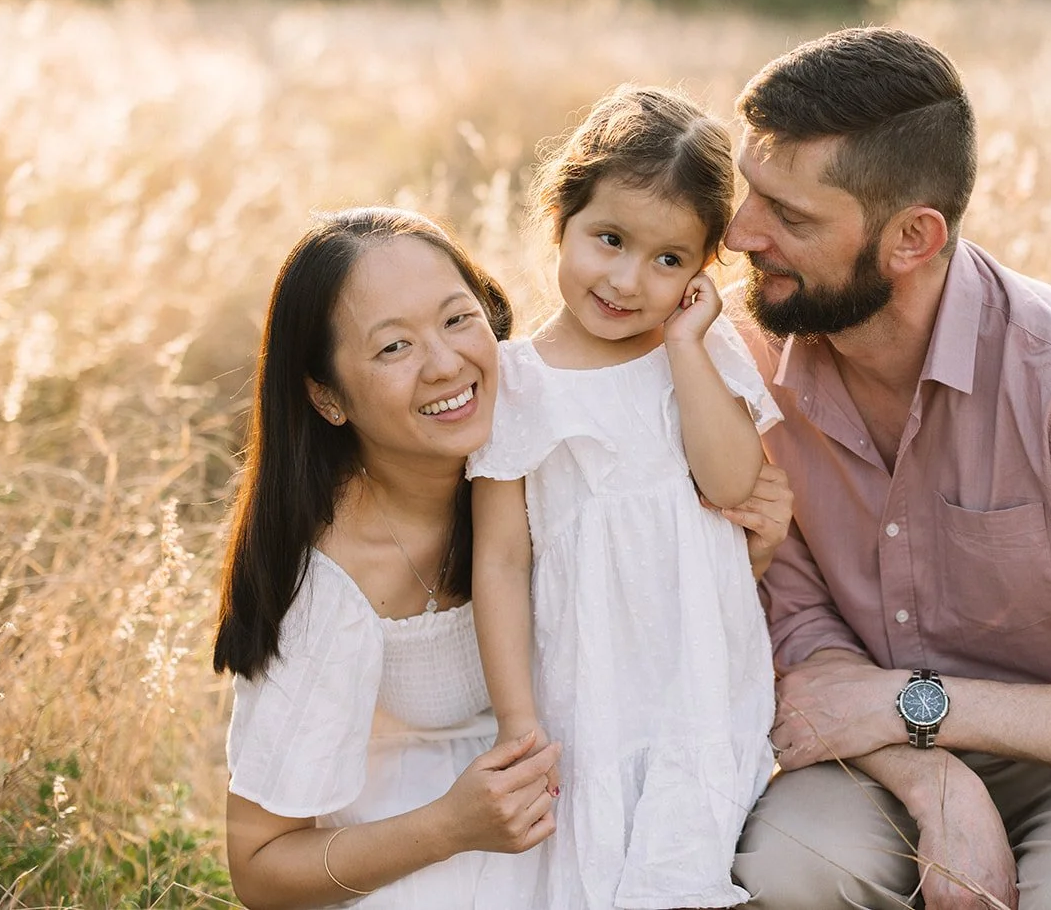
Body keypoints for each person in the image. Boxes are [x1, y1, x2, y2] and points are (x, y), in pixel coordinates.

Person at [725, 28, 1051, 910]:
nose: (742, 231)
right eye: (751, 189)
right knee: (792, 866)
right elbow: (801, 639)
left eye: (792, 215)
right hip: (867, 752)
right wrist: (934, 776)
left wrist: (918, 704)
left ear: (912, 238)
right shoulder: (742, 364)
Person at [468, 85, 783, 910]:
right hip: (590, 685)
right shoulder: (519, 382)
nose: (627, 279)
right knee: (602, 869)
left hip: (702, 673)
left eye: (668, 259)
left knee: (696, 858)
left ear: (702, 268)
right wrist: (517, 720)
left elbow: (732, 482)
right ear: (559, 217)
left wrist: (683, 345)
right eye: (608, 239)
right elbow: (499, 560)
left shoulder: (703, 351)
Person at [212, 208, 561, 908]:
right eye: (393, 347)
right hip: (430, 851)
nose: (444, 364)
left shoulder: (561, 438)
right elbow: (258, 866)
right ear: (327, 397)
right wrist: (450, 825)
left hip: (582, 799)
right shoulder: (331, 582)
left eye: (458, 319)